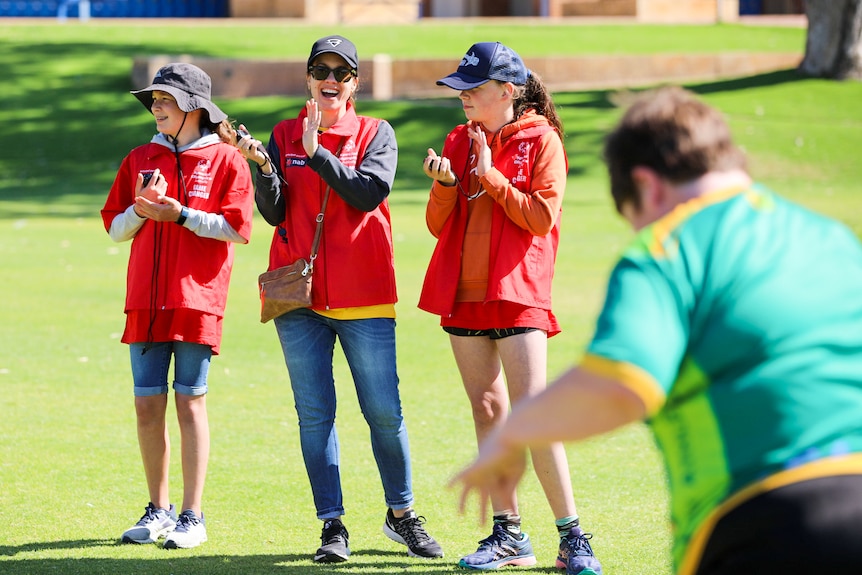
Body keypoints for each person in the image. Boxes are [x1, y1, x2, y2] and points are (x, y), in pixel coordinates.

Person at [450, 85, 862, 575]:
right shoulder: (830, 236)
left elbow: (620, 386)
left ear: (647, 185)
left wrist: (512, 435)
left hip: (758, 521)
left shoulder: (668, 251)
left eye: (634, 217)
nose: (640, 231)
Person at [235, 34, 444, 563]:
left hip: (364, 295)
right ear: (308, 78)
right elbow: (277, 213)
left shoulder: (378, 132)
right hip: (297, 297)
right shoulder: (283, 133)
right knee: (315, 415)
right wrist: (263, 167)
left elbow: (367, 193)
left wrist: (316, 153)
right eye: (321, 70)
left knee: (383, 412)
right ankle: (333, 526)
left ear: (355, 83)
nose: (331, 80)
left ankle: (402, 514)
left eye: (342, 73)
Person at [419, 42, 602, 575]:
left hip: (518, 292)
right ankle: (509, 535)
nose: (463, 98)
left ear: (508, 91)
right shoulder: (458, 139)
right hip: (463, 295)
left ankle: (573, 537)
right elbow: (437, 225)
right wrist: (446, 186)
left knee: (532, 414)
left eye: (473, 89)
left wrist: (492, 176)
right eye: (461, 89)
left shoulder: (543, 140)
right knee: (489, 413)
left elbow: (542, 219)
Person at [101, 63, 254, 549]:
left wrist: (181, 215)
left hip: (197, 301)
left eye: (164, 98)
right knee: (148, 406)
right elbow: (114, 228)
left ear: (194, 106)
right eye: (153, 100)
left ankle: (193, 516)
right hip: (144, 301)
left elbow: (237, 228)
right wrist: (140, 209)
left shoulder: (228, 160)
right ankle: (158, 510)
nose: (155, 106)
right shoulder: (140, 157)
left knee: (190, 402)